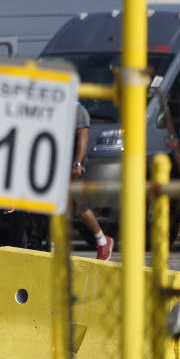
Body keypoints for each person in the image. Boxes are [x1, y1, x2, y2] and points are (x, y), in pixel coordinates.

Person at [72, 102, 114, 260]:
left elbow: (83, 137)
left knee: (81, 208)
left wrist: (77, 163)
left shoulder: (78, 109)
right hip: (57, 166)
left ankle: (103, 241)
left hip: (72, 168)